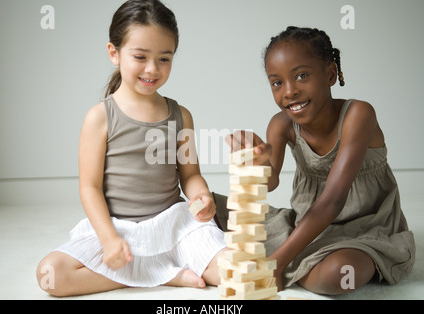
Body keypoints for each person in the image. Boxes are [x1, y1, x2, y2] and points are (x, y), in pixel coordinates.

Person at [36, 0, 225, 297]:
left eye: (165, 58)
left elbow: (190, 174)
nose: (153, 69)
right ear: (114, 53)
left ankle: (150, 268)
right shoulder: (99, 117)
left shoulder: (180, 115)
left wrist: (200, 194)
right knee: (51, 276)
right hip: (116, 228)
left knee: (233, 269)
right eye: (140, 56)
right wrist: (109, 239)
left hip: (173, 225)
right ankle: (161, 274)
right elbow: (90, 187)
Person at [215, 26, 415, 295]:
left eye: (301, 76)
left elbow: (333, 200)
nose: (289, 92)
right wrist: (257, 159)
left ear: (330, 74)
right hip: (307, 224)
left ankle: (282, 267)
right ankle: (291, 263)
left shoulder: (358, 114)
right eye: (277, 82)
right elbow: (269, 182)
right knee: (213, 207)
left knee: (339, 275)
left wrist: (278, 261)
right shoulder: (281, 124)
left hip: (365, 231)